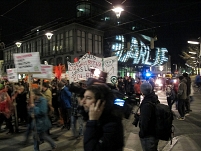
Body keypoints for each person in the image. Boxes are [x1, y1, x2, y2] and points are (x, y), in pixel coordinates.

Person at [82, 84, 124, 151]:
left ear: (100, 102)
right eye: (84, 97)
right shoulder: (100, 119)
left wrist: (92, 122)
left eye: (88, 98)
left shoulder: (112, 124)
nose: (83, 102)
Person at [139, 82, 160, 151]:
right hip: (155, 132)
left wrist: (142, 133)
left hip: (148, 134)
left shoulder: (146, 103)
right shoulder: (154, 99)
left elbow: (145, 121)